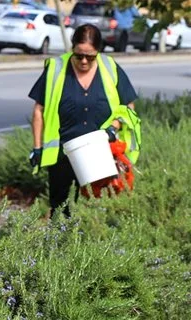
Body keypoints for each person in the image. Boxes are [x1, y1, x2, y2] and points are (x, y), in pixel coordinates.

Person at [28, 24, 139, 219]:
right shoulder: (56, 69)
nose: (84, 61)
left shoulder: (110, 68)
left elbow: (128, 107)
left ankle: (94, 245)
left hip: (101, 152)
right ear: (72, 48)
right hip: (63, 153)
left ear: (98, 52)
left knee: (98, 207)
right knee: (61, 210)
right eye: (79, 55)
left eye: (90, 56)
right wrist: (37, 148)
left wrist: (114, 127)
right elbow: (39, 110)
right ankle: (61, 246)